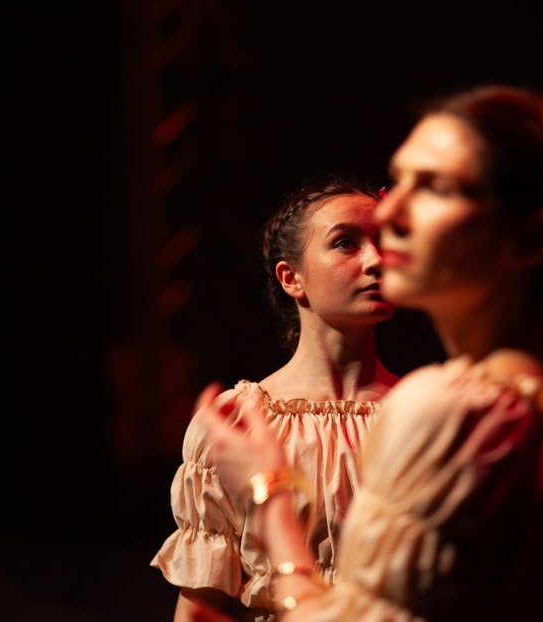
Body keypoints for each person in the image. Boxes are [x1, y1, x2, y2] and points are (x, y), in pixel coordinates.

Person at [196, 85, 543, 621]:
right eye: (400, 182)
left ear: (530, 238)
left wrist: (269, 497)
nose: (391, 213)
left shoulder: (452, 412)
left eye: (434, 188)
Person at [151, 174, 402, 621]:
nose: (377, 260)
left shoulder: (423, 414)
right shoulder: (242, 422)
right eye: (346, 243)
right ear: (292, 278)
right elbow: (202, 602)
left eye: (385, 241)